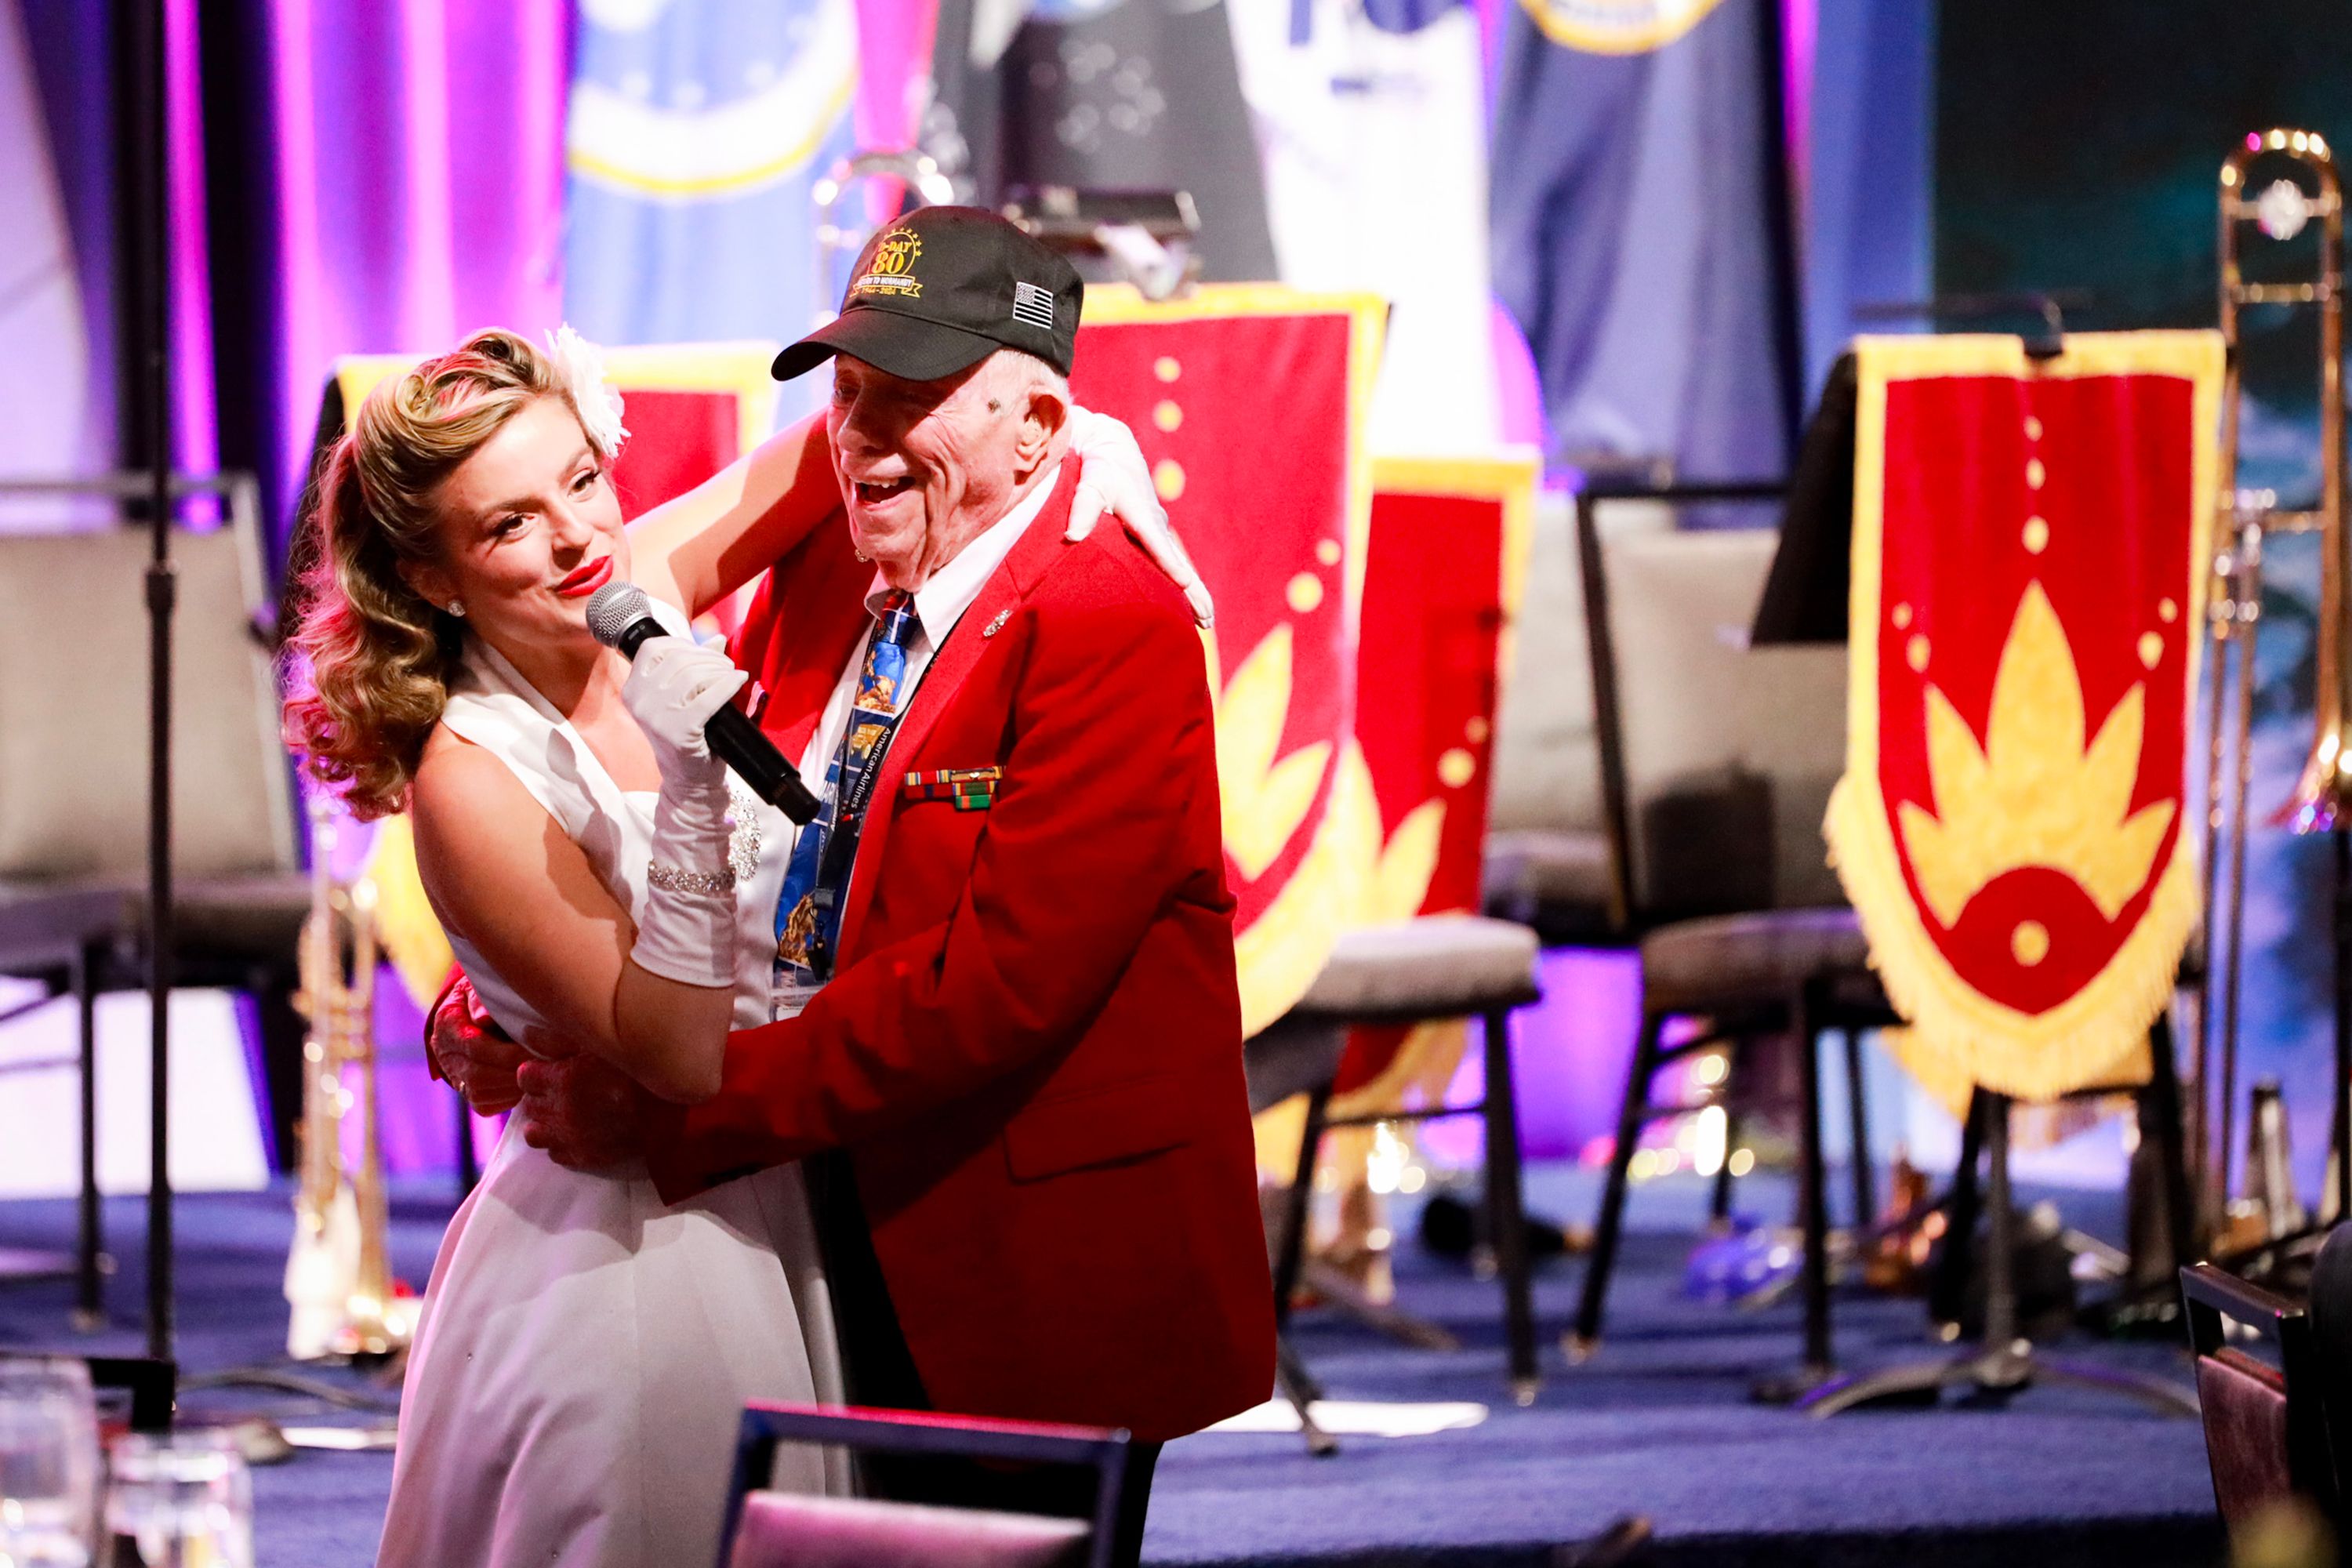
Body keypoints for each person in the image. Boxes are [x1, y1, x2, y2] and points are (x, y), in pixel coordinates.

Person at [430, 208, 1276, 1565]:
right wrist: (516, 1000)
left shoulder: (1110, 624)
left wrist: (674, 1111)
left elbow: (985, 996)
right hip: (825, 1230)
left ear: (1038, 427)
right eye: (851, 389)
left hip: (1021, 1255)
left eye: (918, 395)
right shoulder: (845, 551)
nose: (866, 435)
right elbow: (723, 860)